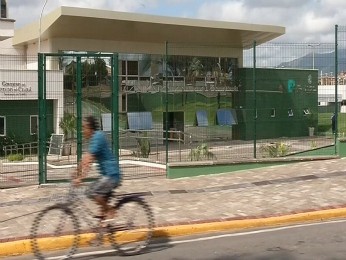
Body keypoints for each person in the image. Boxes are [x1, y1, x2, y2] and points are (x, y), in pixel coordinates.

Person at [73, 115, 121, 221]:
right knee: (101, 214)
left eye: (84, 128)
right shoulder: (95, 138)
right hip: (107, 176)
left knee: (92, 192)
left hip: (111, 175)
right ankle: (104, 227)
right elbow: (86, 157)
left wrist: (80, 177)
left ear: (90, 128)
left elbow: (89, 160)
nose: (83, 131)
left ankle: (111, 210)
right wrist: (76, 171)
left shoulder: (98, 137)